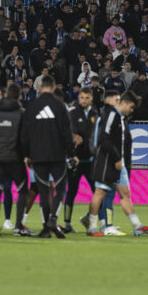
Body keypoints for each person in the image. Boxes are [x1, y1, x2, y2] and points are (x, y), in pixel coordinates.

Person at [85, 90, 148, 237]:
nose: (131, 111)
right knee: (100, 193)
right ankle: (91, 227)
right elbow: (104, 138)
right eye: (131, 107)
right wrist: (117, 158)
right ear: (124, 103)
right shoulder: (112, 115)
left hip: (120, 164)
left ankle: (137, 226)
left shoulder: (122, 118)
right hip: (108, 161)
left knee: (125, 195)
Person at [21, 75, 74, 238]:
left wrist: (26, 155)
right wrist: (71, 154)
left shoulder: (31, 107)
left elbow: (25, 134)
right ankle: (53, 219)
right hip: (57, 155)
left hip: (37, 155)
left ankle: (46, 228)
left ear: (39, 87)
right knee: (60, 188)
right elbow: (67, 133)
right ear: (52, 88)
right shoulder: (60, 106)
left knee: (43, 192)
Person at [0, 84, 32, 237]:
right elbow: (25, 138)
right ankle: (17, 226)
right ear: (19, 96)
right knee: (22, 191)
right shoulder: (22, 113)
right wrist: (27, 156)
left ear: (4, 96)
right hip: (16, 160)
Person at [63, 87, 98, 233]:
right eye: (82, 97)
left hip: (90, 160)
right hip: (75, 160)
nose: (84, 100)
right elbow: (66, 132)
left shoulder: (95, 114)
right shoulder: (72, 112)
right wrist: (72, 137)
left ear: (91, 98)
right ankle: (67, 224)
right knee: (71, 192)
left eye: (87, 97)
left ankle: (89, 218)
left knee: (98, 193)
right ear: (78, 98)